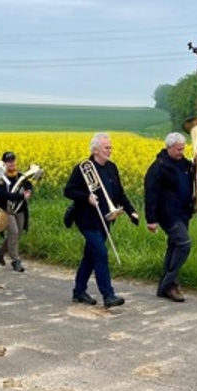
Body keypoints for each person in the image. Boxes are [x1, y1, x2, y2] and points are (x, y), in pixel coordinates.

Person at [63, 132, 137, 308]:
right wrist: (86, 197)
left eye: (110, 147)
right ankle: (108, 295)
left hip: (106, 218)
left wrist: (131, 211)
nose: (110, 151)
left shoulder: (111, 168)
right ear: (96, 150)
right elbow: (68, 191)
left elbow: (119, 193)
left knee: (91, 255)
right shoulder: (83, 168)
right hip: (87, 219)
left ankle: (79, 291)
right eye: (107, 148)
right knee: (101, 253)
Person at [143, 132, 196, 302]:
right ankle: (168, 283)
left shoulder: (183, 163)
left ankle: (167, 287)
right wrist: (151, 219)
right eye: (179, 149)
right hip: (167, 214)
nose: (182, 152)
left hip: (183, 212)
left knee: (174, 246)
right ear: (169, 148)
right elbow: (150, 194)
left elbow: (194, 173)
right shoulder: (158, 167)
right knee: (183, 243)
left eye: (183, 148)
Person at [0, 151, 33, 272]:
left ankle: (0, 251)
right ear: (4, 163)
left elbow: (28, 185)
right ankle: (16, 260)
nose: (11, 163)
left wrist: (28, 191)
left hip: (19, 209)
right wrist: (20, 197)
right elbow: (1, 194)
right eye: (8, 161)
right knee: (13, 232)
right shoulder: (0, 178)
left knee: (18, 233)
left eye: (13, 160)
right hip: (6, 210)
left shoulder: (20, 176)